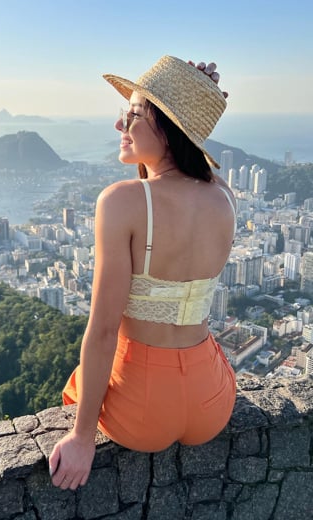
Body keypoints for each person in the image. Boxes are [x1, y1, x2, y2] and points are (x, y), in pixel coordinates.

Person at [49, 56, 237, 490]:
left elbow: (102, 331)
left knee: (81, 380)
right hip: (212, 403)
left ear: (170, 128)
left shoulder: (122, 201)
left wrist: (81, 438)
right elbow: (195, 168)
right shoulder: (224, 197)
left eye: (133, 115)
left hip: (143, 413)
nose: (120, 126)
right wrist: (196, 102)